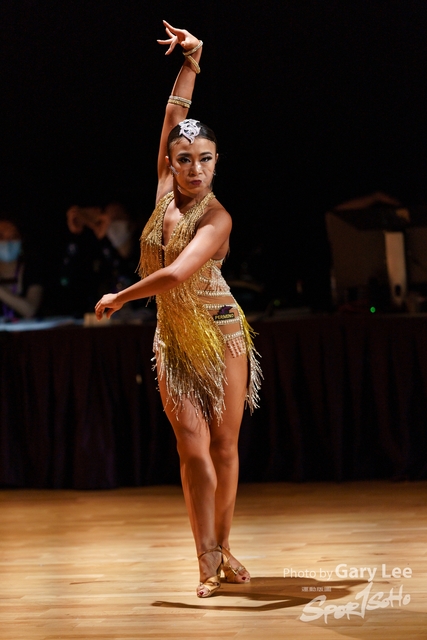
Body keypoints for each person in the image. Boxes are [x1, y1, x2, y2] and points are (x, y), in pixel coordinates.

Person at [95, 21, 262, 598]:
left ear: (216, 162)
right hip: (172, 336)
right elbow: (173, 117)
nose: (195, 168)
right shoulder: (164, 193)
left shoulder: (218, 218)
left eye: (205, 159)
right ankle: (206, 557)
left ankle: (224, 546)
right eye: (185, 159)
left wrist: (120, 295)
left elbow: (175, 274)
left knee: (223, 446)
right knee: (191, 450)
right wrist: (192, 60)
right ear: (170, 162)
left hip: (221, 333)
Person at [0, 218, 43, 319]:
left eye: (13, 236)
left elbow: (30, 311)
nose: (7, 241)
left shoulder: (33, 269)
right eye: (1, 237)